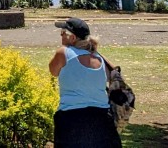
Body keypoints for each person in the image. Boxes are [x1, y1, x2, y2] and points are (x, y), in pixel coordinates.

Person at [48, 17, 122, 148]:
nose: (61, 35)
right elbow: (113, 73)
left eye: (63, 33)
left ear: (72, 38)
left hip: (71, 119)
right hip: (102, 120)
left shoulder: (63, 53)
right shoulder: (98, 57)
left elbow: (53, 71)